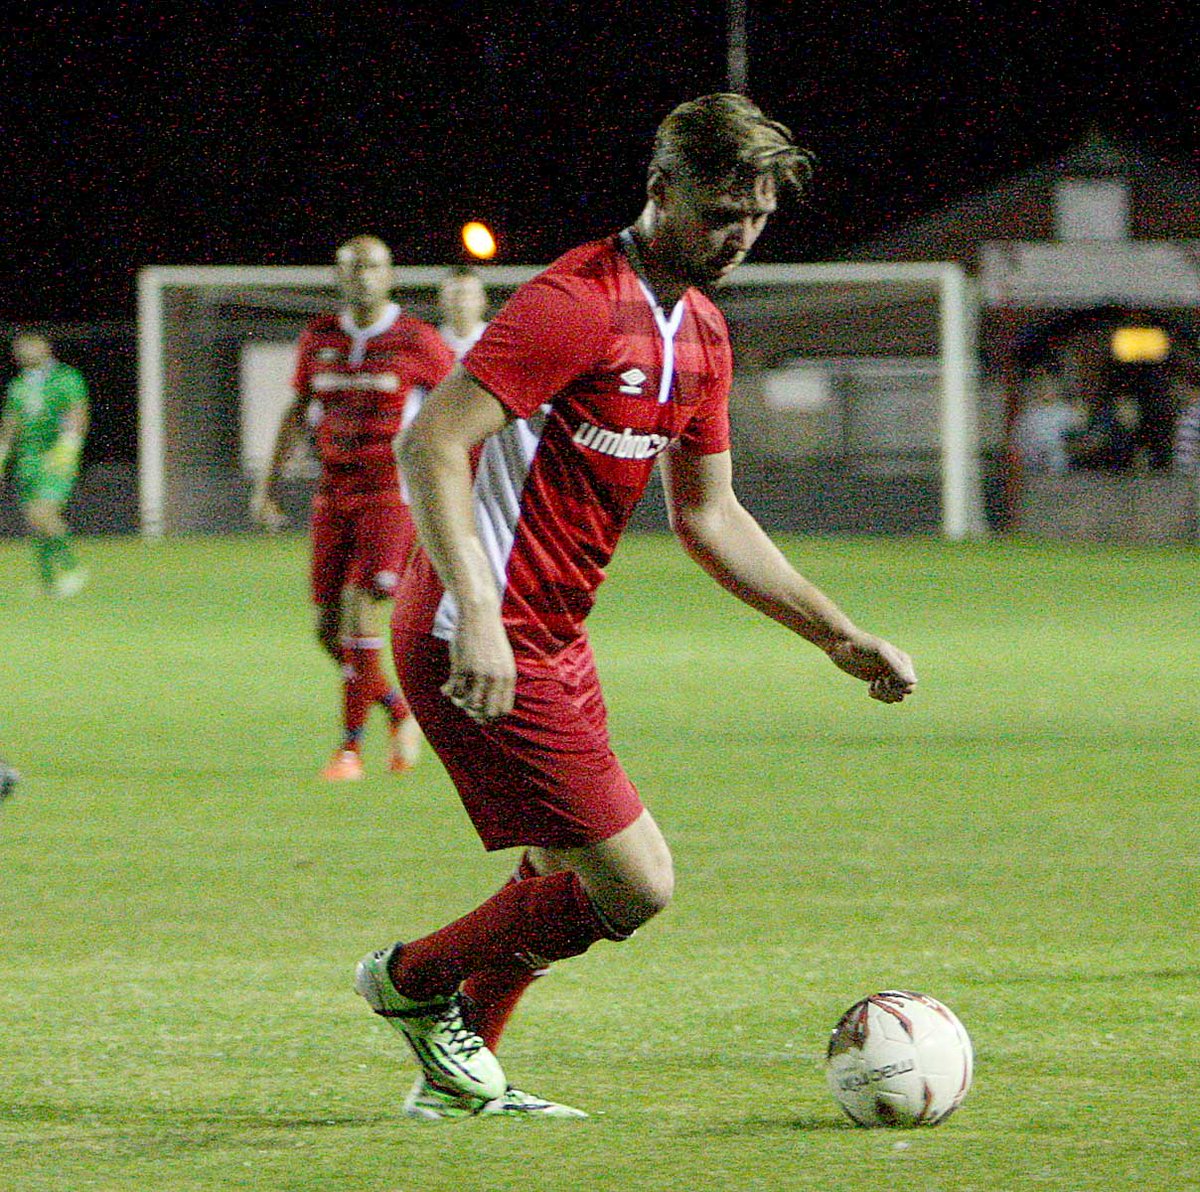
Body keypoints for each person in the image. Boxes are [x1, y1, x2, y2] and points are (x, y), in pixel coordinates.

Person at [352, 93, 917, 1121]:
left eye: (755, 216)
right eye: (718, 212)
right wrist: (477, 609)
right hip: (475, 631)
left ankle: (460, 1082)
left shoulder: (700, 332)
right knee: (635, 881)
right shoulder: (576, 302)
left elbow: (711, 516)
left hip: (555, 634)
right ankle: (412, 980)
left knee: (557, 869)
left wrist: (837, 633)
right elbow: (430, 441)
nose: (737, 235)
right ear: (661, 193)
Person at [251, 236, 454, 781]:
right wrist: (267, 485)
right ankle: (398, 712)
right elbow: (297, 410)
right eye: (353, 268)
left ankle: (349, 750)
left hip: (390, 494)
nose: (364, 276)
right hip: (332, 493)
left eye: (374, 267)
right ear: (340, 276)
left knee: (361, 615)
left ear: (390, 276)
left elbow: (458, 407)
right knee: (326, 627)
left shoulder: (416, 338)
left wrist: (457, 481)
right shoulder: (319, 336)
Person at [0, 333, 90, 597]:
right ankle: (47, 581)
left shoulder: (66, 379)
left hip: (55, 458)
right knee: (34, 521)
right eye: (21, 348)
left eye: (32, 345)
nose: (26, 351)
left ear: (45, 348)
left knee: (43, 513)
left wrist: (69, 447)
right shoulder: (19, 386)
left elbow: (77, 413)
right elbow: (10, 425)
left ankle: (74, 569)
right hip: (26, 461)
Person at [1012, 365, 1082, 474]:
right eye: (1041, 388)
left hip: (1054, 459)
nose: (1045, 391)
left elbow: (1079, 423)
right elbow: (1018, 437)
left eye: (1048, 388)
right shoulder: (1029, 412)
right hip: (1030, 459)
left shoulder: (1062, 409)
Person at [436, 266, 489, 361]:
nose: (461, 303)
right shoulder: (429, 343)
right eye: (454, 295)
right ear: (440, 301)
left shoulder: (497, 342)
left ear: (482, 300)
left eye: (468, 294)